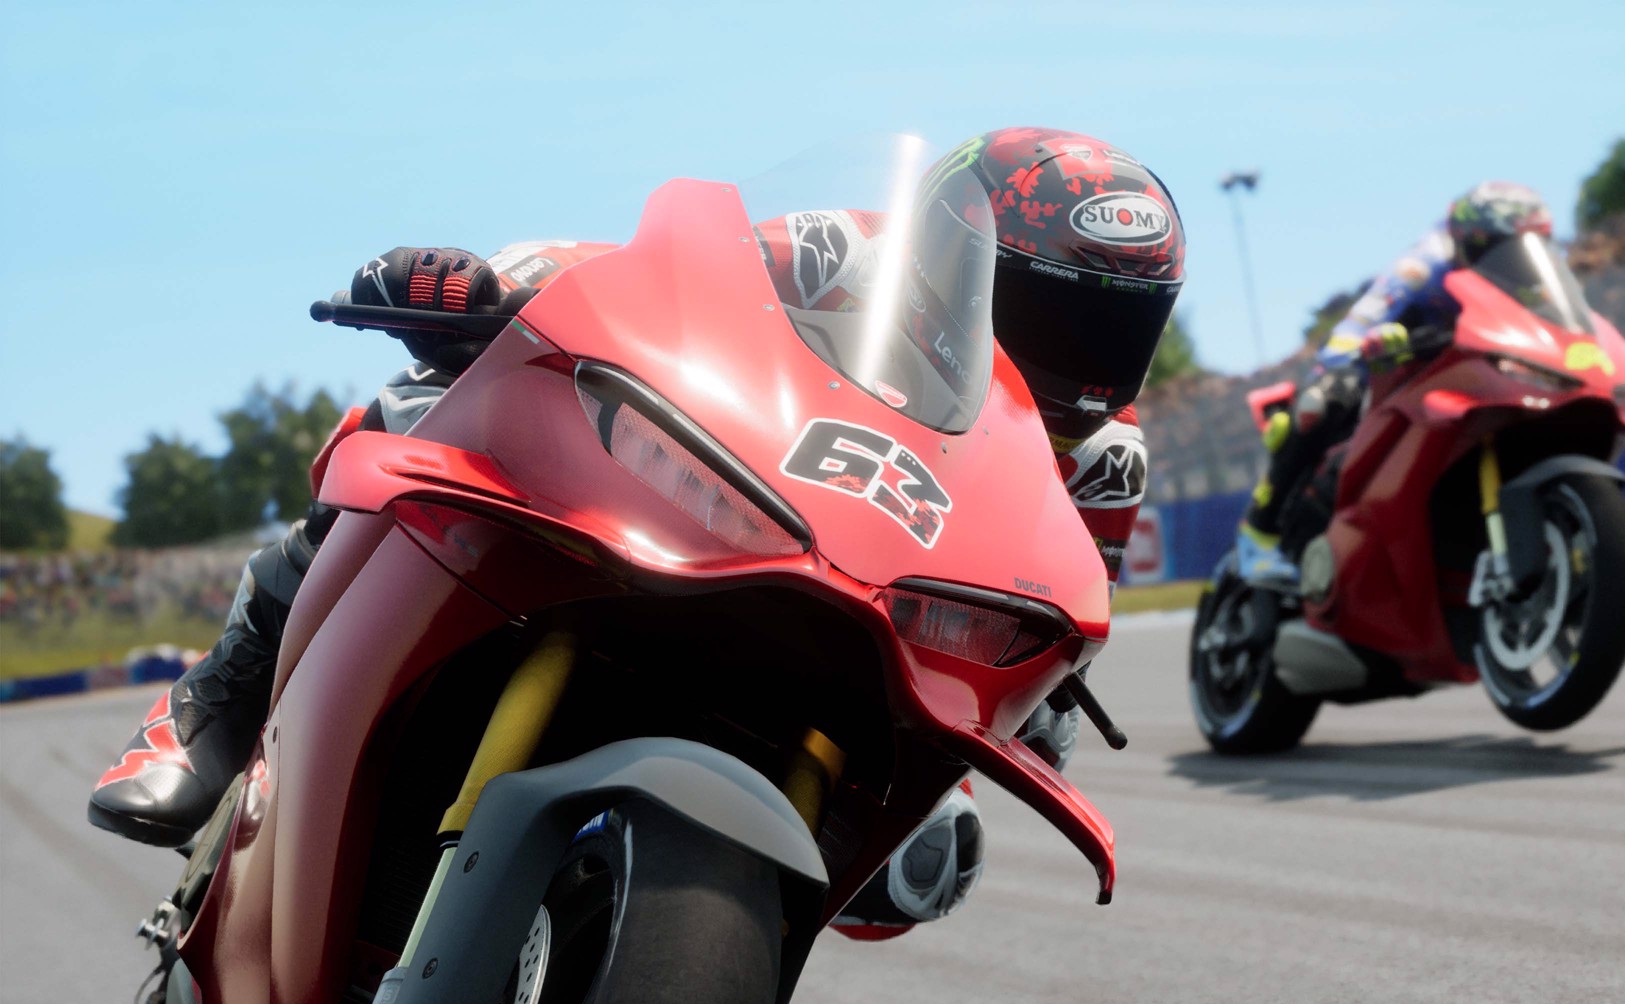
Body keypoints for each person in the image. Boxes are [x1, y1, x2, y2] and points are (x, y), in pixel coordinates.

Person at [88, 127, 1185, 935]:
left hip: (865, 641)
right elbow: (654, 276)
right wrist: (499, 287)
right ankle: (213, 702)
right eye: (1051, 310)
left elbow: (1055, 650)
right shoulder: (841, 253)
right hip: (711, 509)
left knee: (930, 862)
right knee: (420, 412)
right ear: (952, 247)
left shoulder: (1102, 460)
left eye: (1120, 325)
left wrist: (1014, 730)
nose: (1081, 359)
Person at [1239, 180, 1552, 578]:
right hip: (1392, 372)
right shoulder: (1427, 262)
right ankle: (1258, 536)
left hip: (1468, 382)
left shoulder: (1533, 282)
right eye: (1501, 248)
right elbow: (1363, 318)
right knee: (1325, 398)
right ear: (1471, 241)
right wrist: (1360, 349)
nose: (1512, 259)